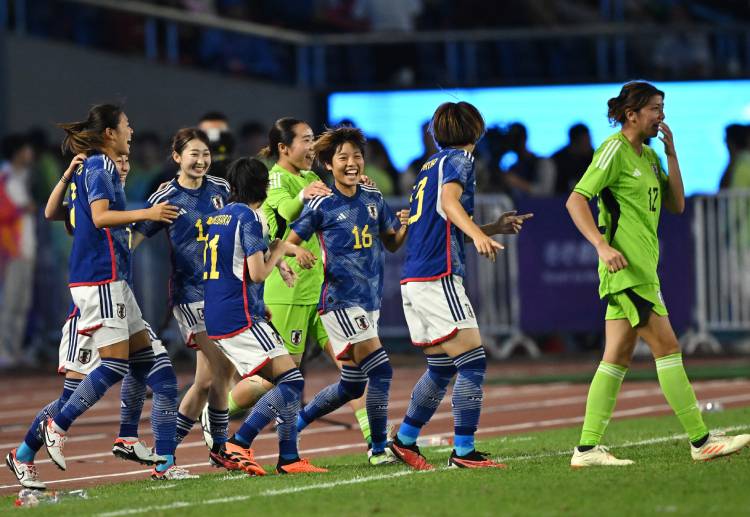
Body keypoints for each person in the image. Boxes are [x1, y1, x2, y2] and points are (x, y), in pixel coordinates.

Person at [565, 81, 750, 467]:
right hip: (627, 270)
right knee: (668, 347)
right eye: (654, 108)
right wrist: (602, 245)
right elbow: (575, 200)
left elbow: (677, 204)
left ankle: (586, 448)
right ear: (631, 114)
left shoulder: (649, 156)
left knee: (616, 356)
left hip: (644, 269)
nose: (661, 115)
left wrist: (672, 154)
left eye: (662, 108)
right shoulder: (613, 150)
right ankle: (700, 439)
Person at [6, 153, 182, 489]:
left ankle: (142, 447)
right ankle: (25, 453)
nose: (125, 163)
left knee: (161, 374)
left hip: (120, 304)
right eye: (119, 158)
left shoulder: (118, 206)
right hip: (90, 314)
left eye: (129, 158)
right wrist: (66, 178)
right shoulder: (94, 205)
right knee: (70, 399)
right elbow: (54, 213)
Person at [37, 104, 190, 480]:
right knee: (111, 367)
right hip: (100, 280)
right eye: (126, 125)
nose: (131, 130)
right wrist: (149, 214)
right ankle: (56, 428)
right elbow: (102, 217)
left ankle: (143, 450)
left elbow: (53, 214)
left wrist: (65, 178)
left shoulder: (88, 169)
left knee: (161, 372)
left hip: (113, 284)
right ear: (109, 133)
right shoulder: (101, 167)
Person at [390, 101, 532, 470]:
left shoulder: (428, 166)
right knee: (473, 362)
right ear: (477, 129)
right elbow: (450, 204)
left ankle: (405, 440)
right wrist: (478, 235)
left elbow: (444, 222)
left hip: (416, 277)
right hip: (437, 276)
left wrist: (490, 229)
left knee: (441, 368)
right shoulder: (460, 161)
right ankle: (464, 452)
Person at [222, 118, 376, 455]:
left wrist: (355, 184)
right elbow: (286, 216)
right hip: (288, 292)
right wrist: (303, 197)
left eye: (312, 139)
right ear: (283, 148)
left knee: (354, 367)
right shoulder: (274, 179)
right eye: (306, 140)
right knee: (272, 380)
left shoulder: (309, 177)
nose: (311, 146)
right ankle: (218, 414)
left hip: (322, 292)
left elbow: (331, 204)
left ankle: (376, 443)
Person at [288, 126, 408, 465]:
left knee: (352, 384)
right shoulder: (322, 204)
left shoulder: (373, 198)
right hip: (339, 301)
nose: (352, 163)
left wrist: (405, 225)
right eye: (343, 157)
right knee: (381, 370)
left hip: (369, 302)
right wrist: (293, 255)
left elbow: (391, 242)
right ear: (328, 164)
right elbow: (289, 243)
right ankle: (379, 447)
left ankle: (293, 425)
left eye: (356, 156)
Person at [203, 157, 327, 475]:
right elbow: (257, 273)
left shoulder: (219, 216)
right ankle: (239, 442)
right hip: (239, 315)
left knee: (282, 379)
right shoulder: (253, 216)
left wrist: (279, 252)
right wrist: (281, 251)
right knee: (291, 379)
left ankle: (288, 457)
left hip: (218, 313)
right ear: (264, 187)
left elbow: (237, 261)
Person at [133, 128, 236, 469]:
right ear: (177, 157)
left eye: (205, 154)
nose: (201, 160)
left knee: (206, 381)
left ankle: (164, 453)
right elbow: (138, 234)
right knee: (224, 367)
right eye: (193, 154)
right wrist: (117, 268)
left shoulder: (222, 189)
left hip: (221, 292)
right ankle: (221, 448)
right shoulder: (166, 195)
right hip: (189, 295)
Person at [0, 134, 36, 367]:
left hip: (26, 248)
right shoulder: (4, 175)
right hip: (10, 249)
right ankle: (3, 350)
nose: (30, 154)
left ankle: (15, 350)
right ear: (17, 152)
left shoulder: (23, 177)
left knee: (22, 303)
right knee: (9, 301)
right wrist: (22, 208)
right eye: (26, 149)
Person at [552, 123, 594, 195]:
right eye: (586, 141)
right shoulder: (557, 160)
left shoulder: (595, 159)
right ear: (575, 142)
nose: (589, 144)